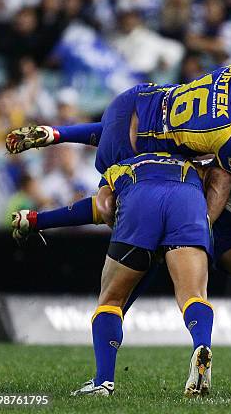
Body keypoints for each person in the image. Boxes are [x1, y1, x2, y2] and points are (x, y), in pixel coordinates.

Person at [11, 58, 231, 395]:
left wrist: (58, 140)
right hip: (198, 205)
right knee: (145, 291)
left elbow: (116, 139)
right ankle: (120, 367)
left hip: (215, 215)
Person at [5, 45, 231, 174]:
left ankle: (55, 133)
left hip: (133, 98)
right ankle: (37, 221)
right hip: (130, 147)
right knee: (108, 209)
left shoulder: (230, 71)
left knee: (111, 130)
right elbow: (228, 173)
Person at [70, 152, 214, 397]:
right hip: (187, 199)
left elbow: (102, 207)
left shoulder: (119, 165)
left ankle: (103, 381)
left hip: (140, 200)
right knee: (193, 294)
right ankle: (202, 344)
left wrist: (38, 221)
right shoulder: (192, 162)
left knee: (112, 299)